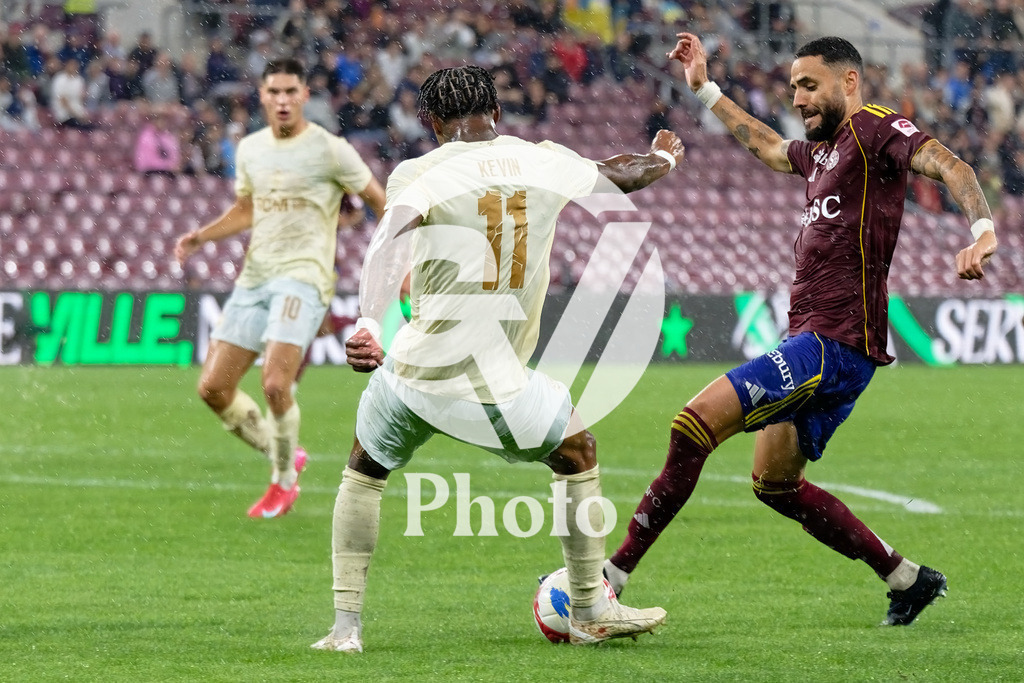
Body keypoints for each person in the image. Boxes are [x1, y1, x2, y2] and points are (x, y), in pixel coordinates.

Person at [603, 33, 998, 627]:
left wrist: (983, 229)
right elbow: (765, 145)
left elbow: (950, 165)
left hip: (832, 345)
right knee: (776, 484)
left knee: (691, 426)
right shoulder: (824, 152)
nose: (799, 98)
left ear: (849, 82)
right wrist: (705, 88)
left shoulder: (877, 130)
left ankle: (608, 579)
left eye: (810, 86)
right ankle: (907, 578)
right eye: (792, 88)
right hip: (826, 347)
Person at [310, 65, 685, 653]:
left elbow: (389, 242)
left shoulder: (422, 171)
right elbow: (620, 175)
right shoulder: (543, 160)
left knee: (364, 469)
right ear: (498, 115)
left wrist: (365, 320)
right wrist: (662, 160)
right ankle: (588, 608)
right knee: (577, 449)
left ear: (433, 124)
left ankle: (344, 628)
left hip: (411, 373)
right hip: (492, 386)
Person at [174, 58, 386, 519]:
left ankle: (283, 482)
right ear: (263, 96)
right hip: (254, 278)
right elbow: (247, 210)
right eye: (275, 92)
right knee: (213, 388)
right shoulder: (250, 149)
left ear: (305, 95)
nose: (284, 100)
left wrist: (399, 259)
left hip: (305, 277)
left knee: (274, 384)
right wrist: (201, 236)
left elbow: (380, 201)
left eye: (292, 91)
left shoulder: (332, 150)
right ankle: (284, 451)